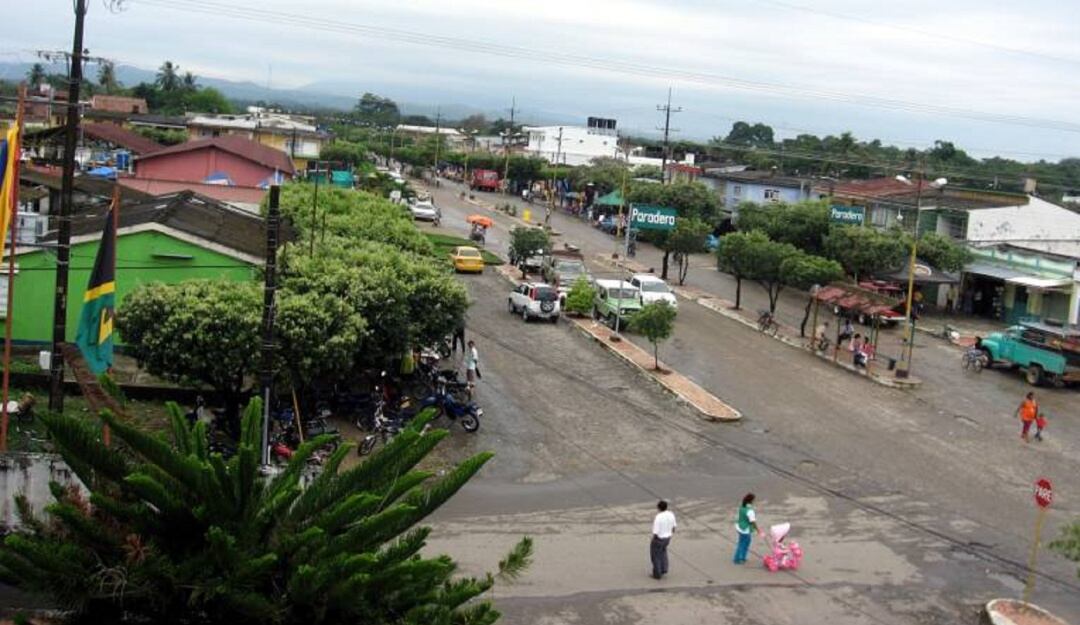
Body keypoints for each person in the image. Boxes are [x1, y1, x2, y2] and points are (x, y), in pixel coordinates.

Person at [650, 500, 677, 579]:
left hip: (659, 538)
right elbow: (674, 527)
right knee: (663, 552)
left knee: (655, 556)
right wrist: (670, 534)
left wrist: (654, 539)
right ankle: (664, 568)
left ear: (658, 508)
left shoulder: (658, 517)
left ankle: (657, 574)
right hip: (667, 538)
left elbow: (656, 531)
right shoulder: (671, 514)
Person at [734, 493, 763, 564]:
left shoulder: (742, 507)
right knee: (744, 543)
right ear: (751, 501)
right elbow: (753, 522)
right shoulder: (750, 511)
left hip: (740, 526)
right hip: (745, 529)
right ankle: (739, 558)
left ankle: (740, 557)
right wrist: (758, 530)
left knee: (742, 542)